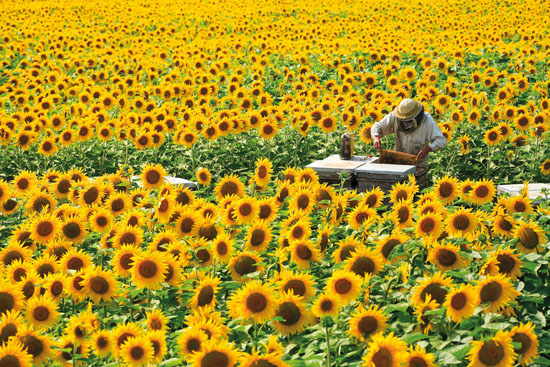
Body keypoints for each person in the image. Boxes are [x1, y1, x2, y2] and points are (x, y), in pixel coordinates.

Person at [371, 98, 447, 188]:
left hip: (418, 167)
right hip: (396, 165)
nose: (405, 123)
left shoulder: (427, 120)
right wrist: (376, 137)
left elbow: (441, 141)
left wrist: (429, 148)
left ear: (417, 116)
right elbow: (378, 126)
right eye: (403, 120)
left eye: (408, 120)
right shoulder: (394, 116)